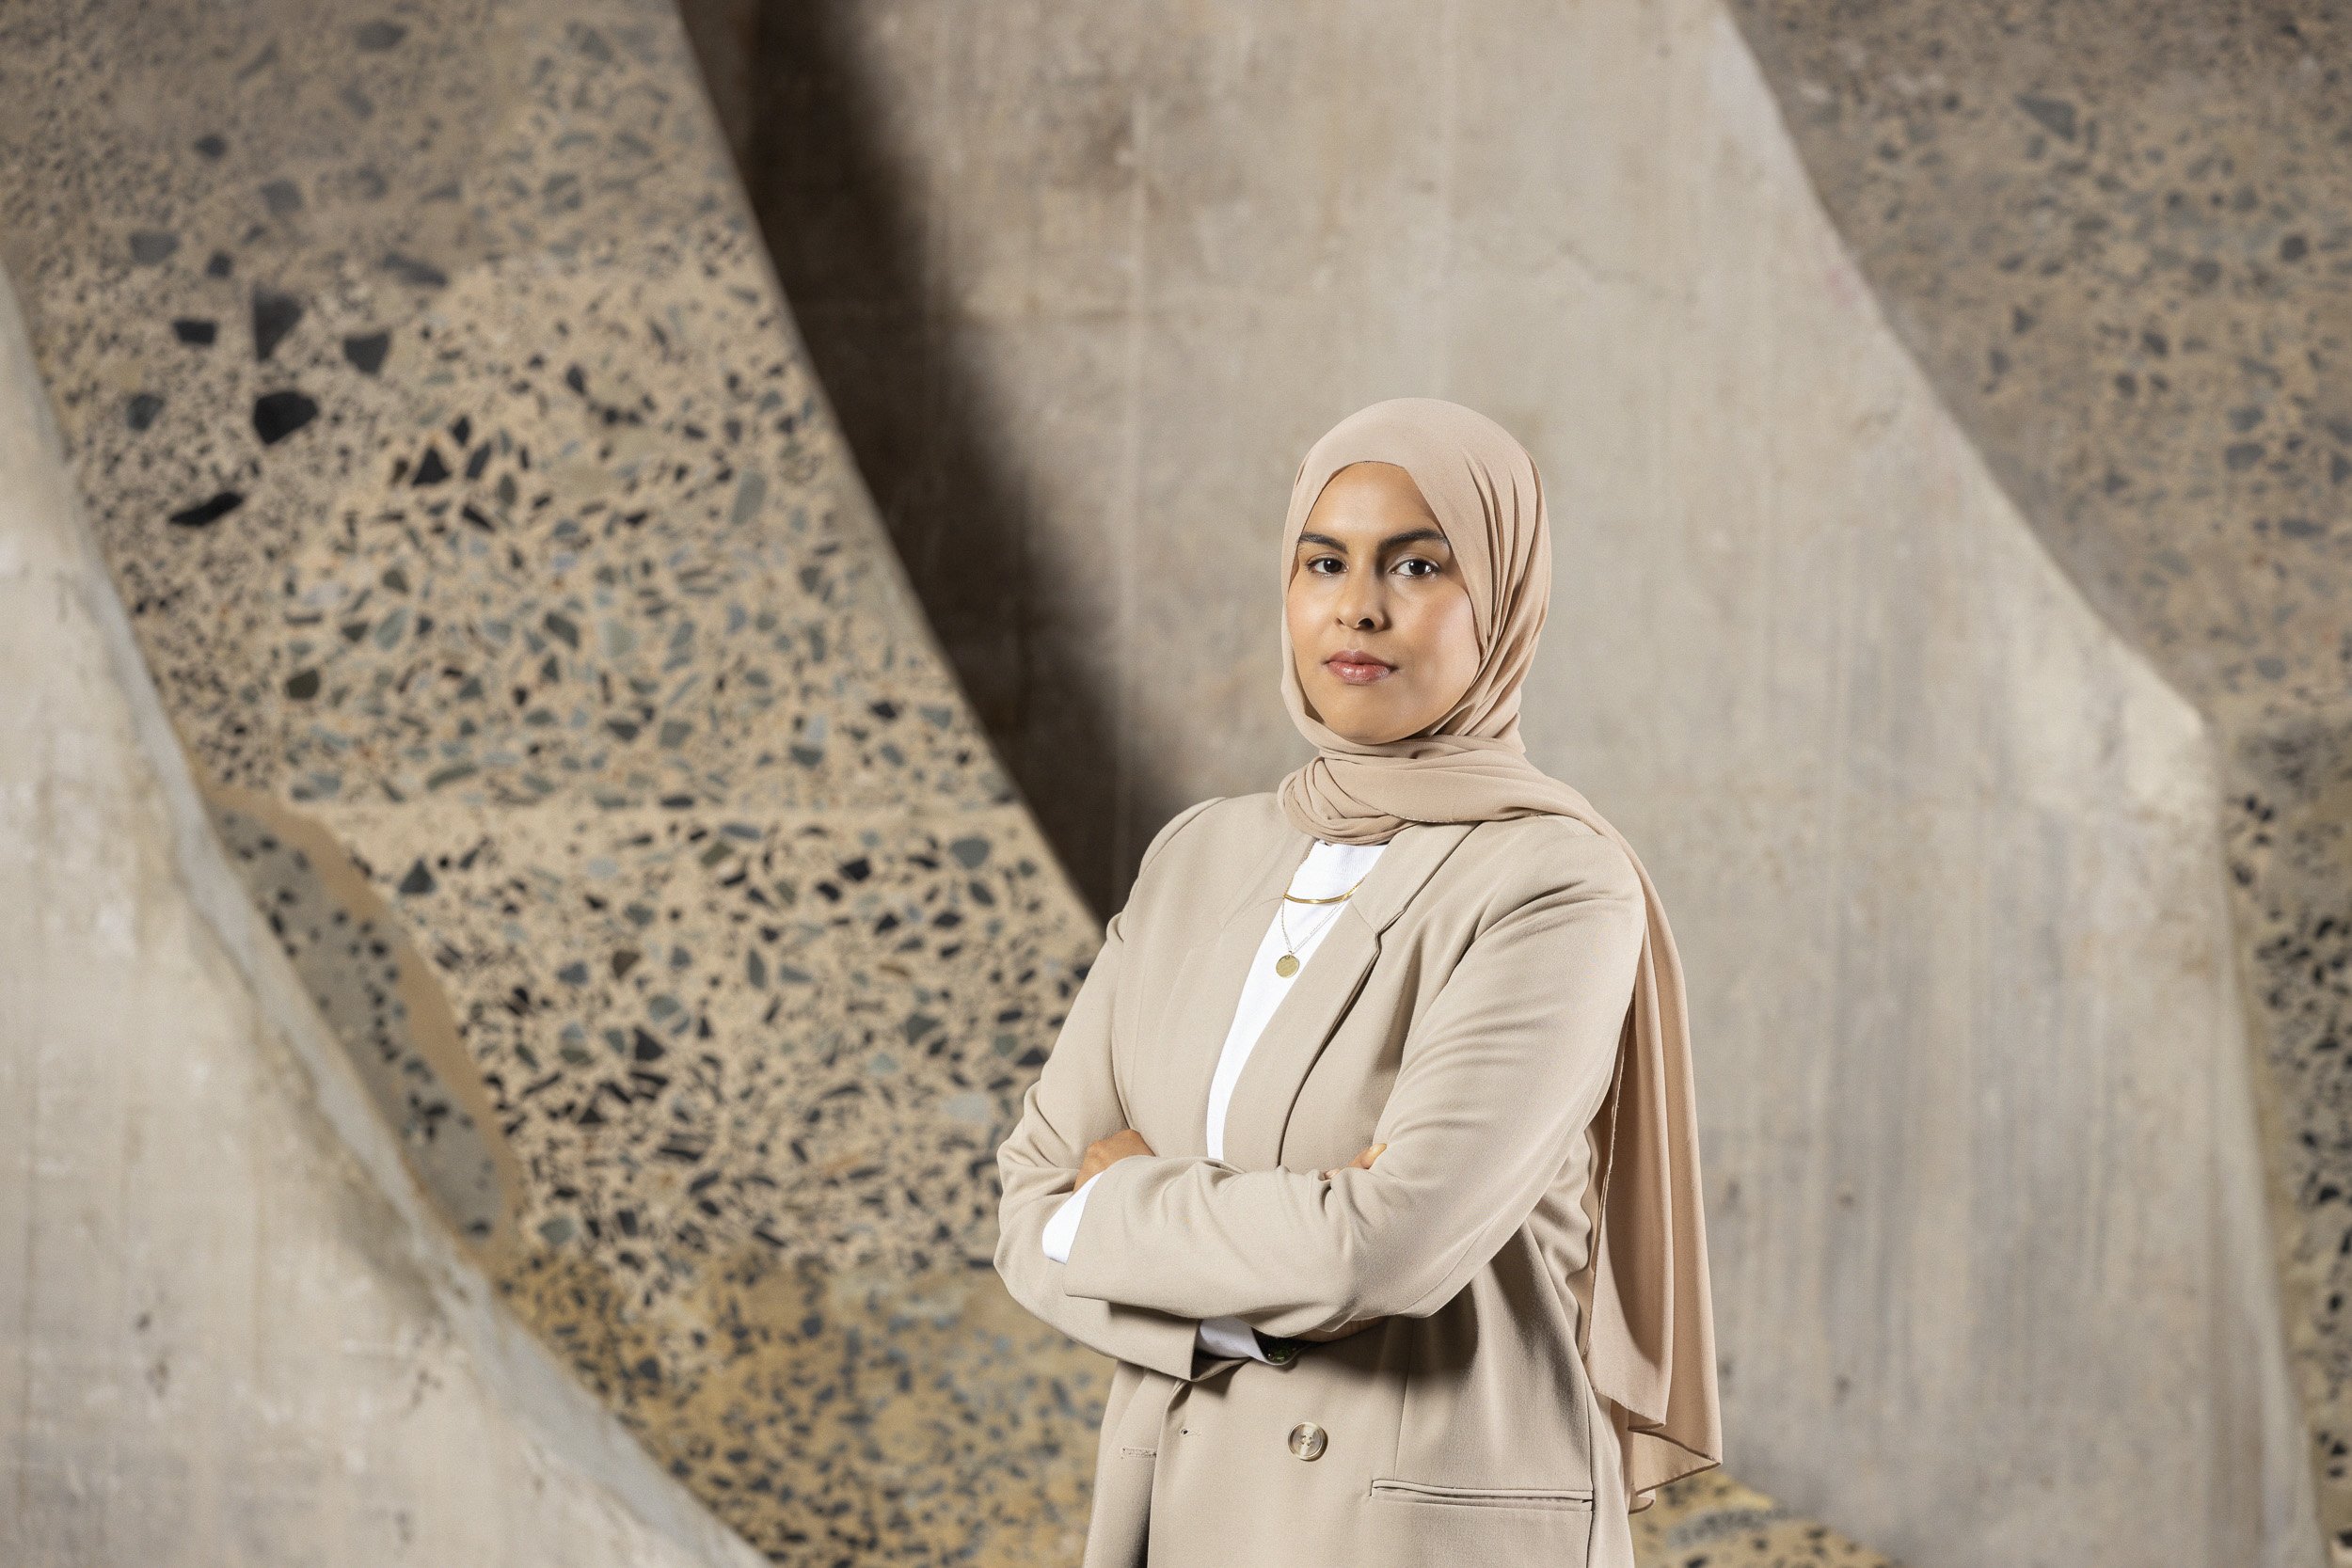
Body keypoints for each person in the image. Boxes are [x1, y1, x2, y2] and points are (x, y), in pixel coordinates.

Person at [993, 397, 1721, 1567]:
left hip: (1416, 1528)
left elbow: (1380, 1251)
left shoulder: (1554, 878)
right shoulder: (1200, 856)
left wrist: (1123, 1207)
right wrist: (1292, 1230)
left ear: (1505, 600)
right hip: (1176, 1513)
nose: (1358, 604)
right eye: (1322, 560)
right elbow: (1030, 1209)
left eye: (1418, 564)